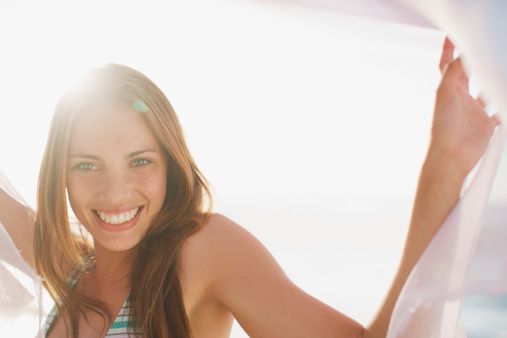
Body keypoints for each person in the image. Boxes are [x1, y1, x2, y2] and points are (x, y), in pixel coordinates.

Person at [0, 37, 499, 338]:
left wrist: (446, 161)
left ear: (171, 165)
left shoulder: (200, 252)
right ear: (58, 176)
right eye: (86, 165)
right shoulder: (70, 269)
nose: (115, 193)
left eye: (139, 161)